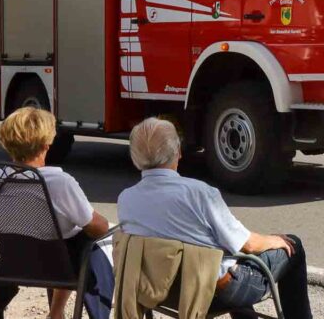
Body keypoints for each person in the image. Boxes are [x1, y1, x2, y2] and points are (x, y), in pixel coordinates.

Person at [117, 118, 312, 319]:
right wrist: (274, 239)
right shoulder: (200, 194)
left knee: (222, 254)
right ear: (178, 152)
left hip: (161, 291)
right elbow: (248, 244)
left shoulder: (126, 199)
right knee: (293, 246)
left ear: (135, 158)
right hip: (213, 293)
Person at [0, 107, 111, 319]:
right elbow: (99, 228)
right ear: (47, 144)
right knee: (90, 243)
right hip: (59, 268)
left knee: (58, 237)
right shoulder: (59, 182)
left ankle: (56, 312)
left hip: (12, 264)